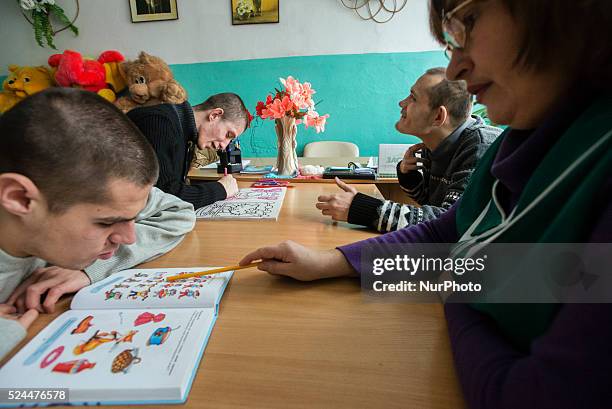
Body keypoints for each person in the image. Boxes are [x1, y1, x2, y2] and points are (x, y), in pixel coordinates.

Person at [240, 0, 612, 407]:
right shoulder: (516, 139)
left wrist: (454, 283)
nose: (456, 70)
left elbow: (532, 393)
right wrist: (328, 262)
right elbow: (448, 229)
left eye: (467, 23)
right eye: (450, 43)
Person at [0, 88, 196, 359]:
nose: (130, 238)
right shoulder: (72, 185)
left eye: (132, 219)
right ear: (20, 198)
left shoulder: (96, 187)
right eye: (106, 223)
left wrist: (92, 268)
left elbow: (178, 211)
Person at [317, 67, 501, 232]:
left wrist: (362, 209)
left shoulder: (480, 147)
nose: (401, 103)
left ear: (438, 117)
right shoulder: (438, 142)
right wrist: (409, 176)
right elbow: (431, 203)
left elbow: (449, 223)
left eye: (413, 98)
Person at [127, 93, 251, 210]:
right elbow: (165, 196)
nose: (224, 146)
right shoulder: (157, 122)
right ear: (215, 115)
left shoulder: (188, 136)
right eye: (228, 134)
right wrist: (220, 189)